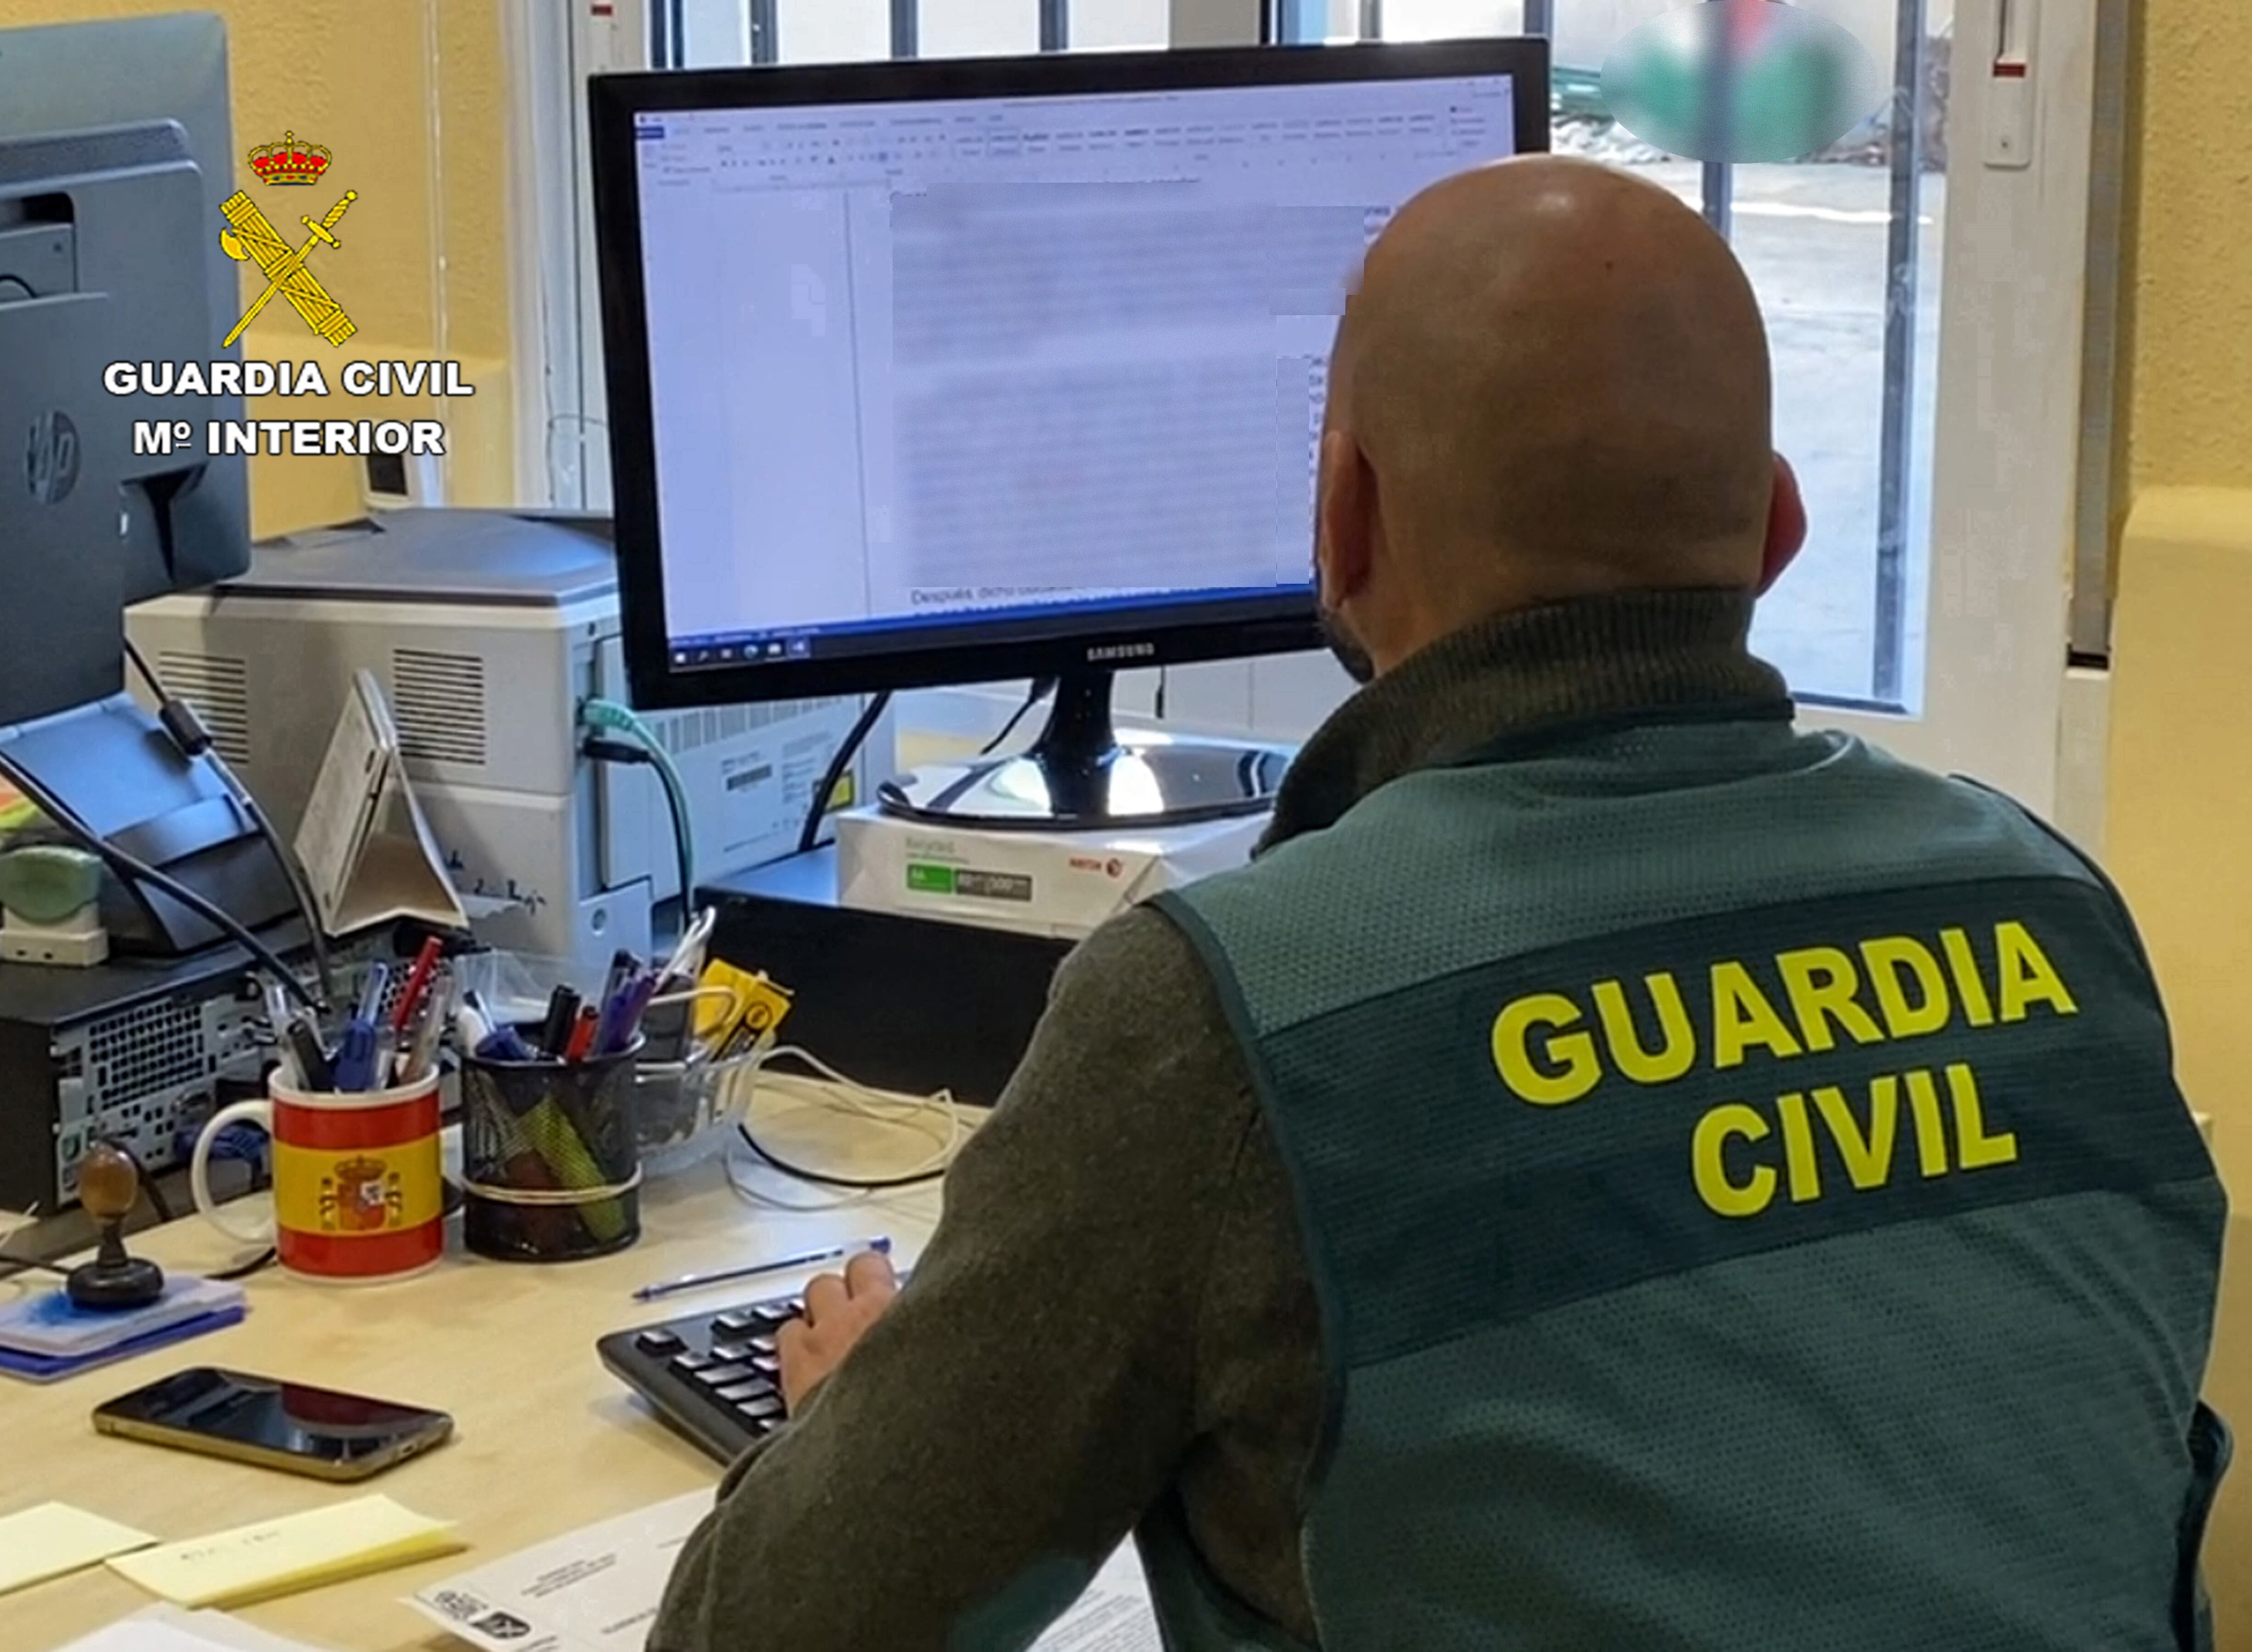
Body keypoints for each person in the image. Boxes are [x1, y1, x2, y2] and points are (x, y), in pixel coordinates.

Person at [648, 155, 2230, 1652]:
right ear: (1777, 532)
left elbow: (768, 1632)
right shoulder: (2054, 909)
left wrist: (862, 1435)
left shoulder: (1232, 1013)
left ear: (1342, 519)